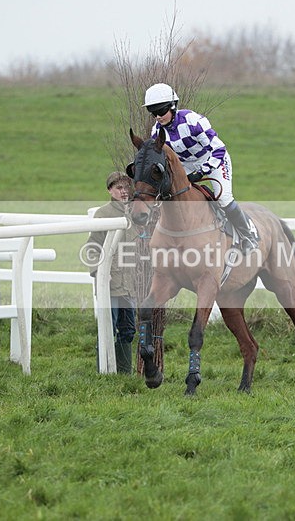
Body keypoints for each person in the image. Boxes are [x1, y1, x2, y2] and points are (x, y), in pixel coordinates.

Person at [142, 82, 259, 252]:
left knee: (223, 198)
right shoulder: (156, 132)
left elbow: (219, 149)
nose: (158, 117)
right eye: (154, 113)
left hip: (213, 158)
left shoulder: (193, 121)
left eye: (161, 111)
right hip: (186, 165)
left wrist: (202, 171)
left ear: (173, 106)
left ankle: (247, 236)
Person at [86, 171, 138, 374]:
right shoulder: (103, 214)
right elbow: (92, 247)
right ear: (110, 190)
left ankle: (124, 373)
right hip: (110, 282)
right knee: (108, 327)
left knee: (128, 329)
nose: (124, 191)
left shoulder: (136, 211)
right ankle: (105, 371)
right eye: (119, 188)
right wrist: (99, 272)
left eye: (126, 187)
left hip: (130, 284)